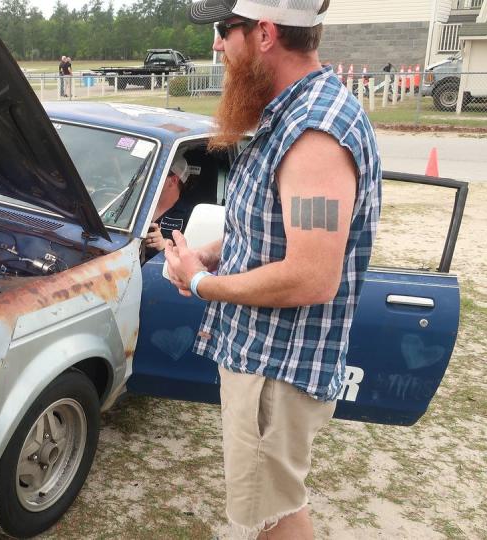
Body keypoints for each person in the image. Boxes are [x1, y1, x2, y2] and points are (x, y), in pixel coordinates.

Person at [166, 1, 381, 538]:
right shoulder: (289, 114)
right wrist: (214, 251)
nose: (217, 46)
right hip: (262, 358)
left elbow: (311, 274)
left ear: (263, 33)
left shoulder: (314, 136)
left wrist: (201, 282)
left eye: (223, 31)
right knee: (274, 506)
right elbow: (274, 230)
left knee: (271, 518)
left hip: (276, 368)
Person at [144, 154, 192, 253]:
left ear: (173, 180)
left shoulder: (190, 215)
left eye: (155, 174)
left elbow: (192, 254)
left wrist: (164, 245)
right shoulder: (138, 203)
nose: (148, 177)